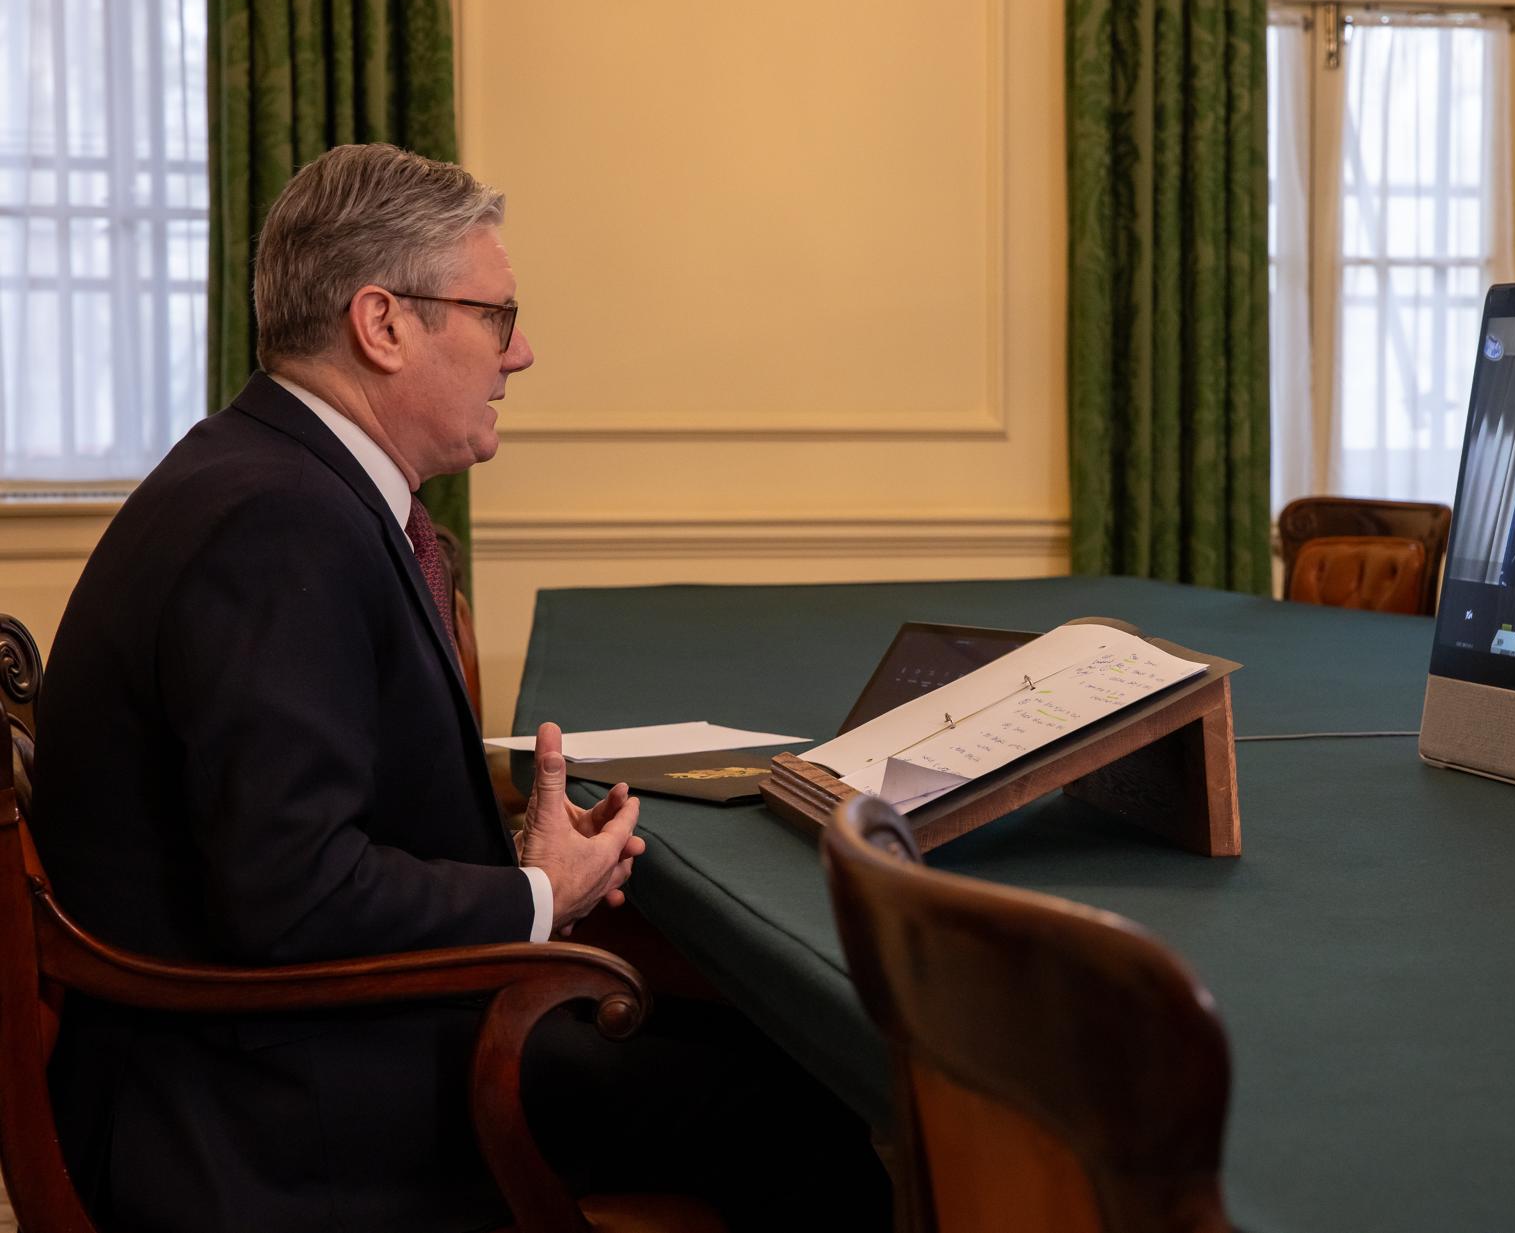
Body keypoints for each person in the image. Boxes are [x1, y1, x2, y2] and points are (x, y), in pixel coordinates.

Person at [30, 145, 884, 1232]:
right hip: (263, 1111)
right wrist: (539, 896)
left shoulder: (270, 473)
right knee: (813, 1115)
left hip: (294, 1048)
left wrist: (521, 861)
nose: (522, 353)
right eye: (497, 315)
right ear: (382, 325)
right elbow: (292, 894)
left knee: (738, 1046)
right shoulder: (276, 521)